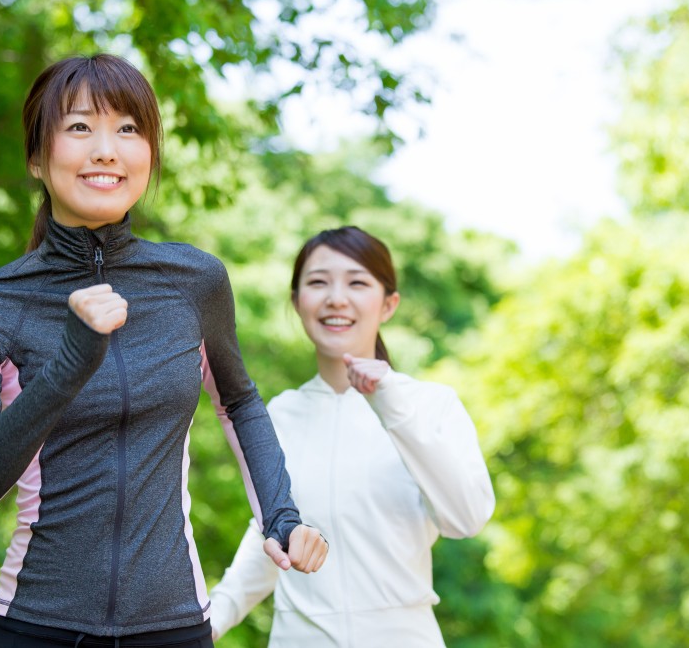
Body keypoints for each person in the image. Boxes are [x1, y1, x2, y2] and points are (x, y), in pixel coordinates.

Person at [0, 53, 327, 648]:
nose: (106, 149)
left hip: (173, 625)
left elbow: (239, 403)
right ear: (37, 159)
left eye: (127, 129)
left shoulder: (194, 281)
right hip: (37, 626)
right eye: (79, 127)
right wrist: (72, 360)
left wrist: (281, 517)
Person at [208, 226, 495, 647]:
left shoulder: (430, 404)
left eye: (357, 282)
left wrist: (390, 404)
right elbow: (270, 537)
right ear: (297, 301)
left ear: (389, 303)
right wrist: (212, 620)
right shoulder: (279, 413)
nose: (336, 298)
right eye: (318, 282)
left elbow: (465, 518)